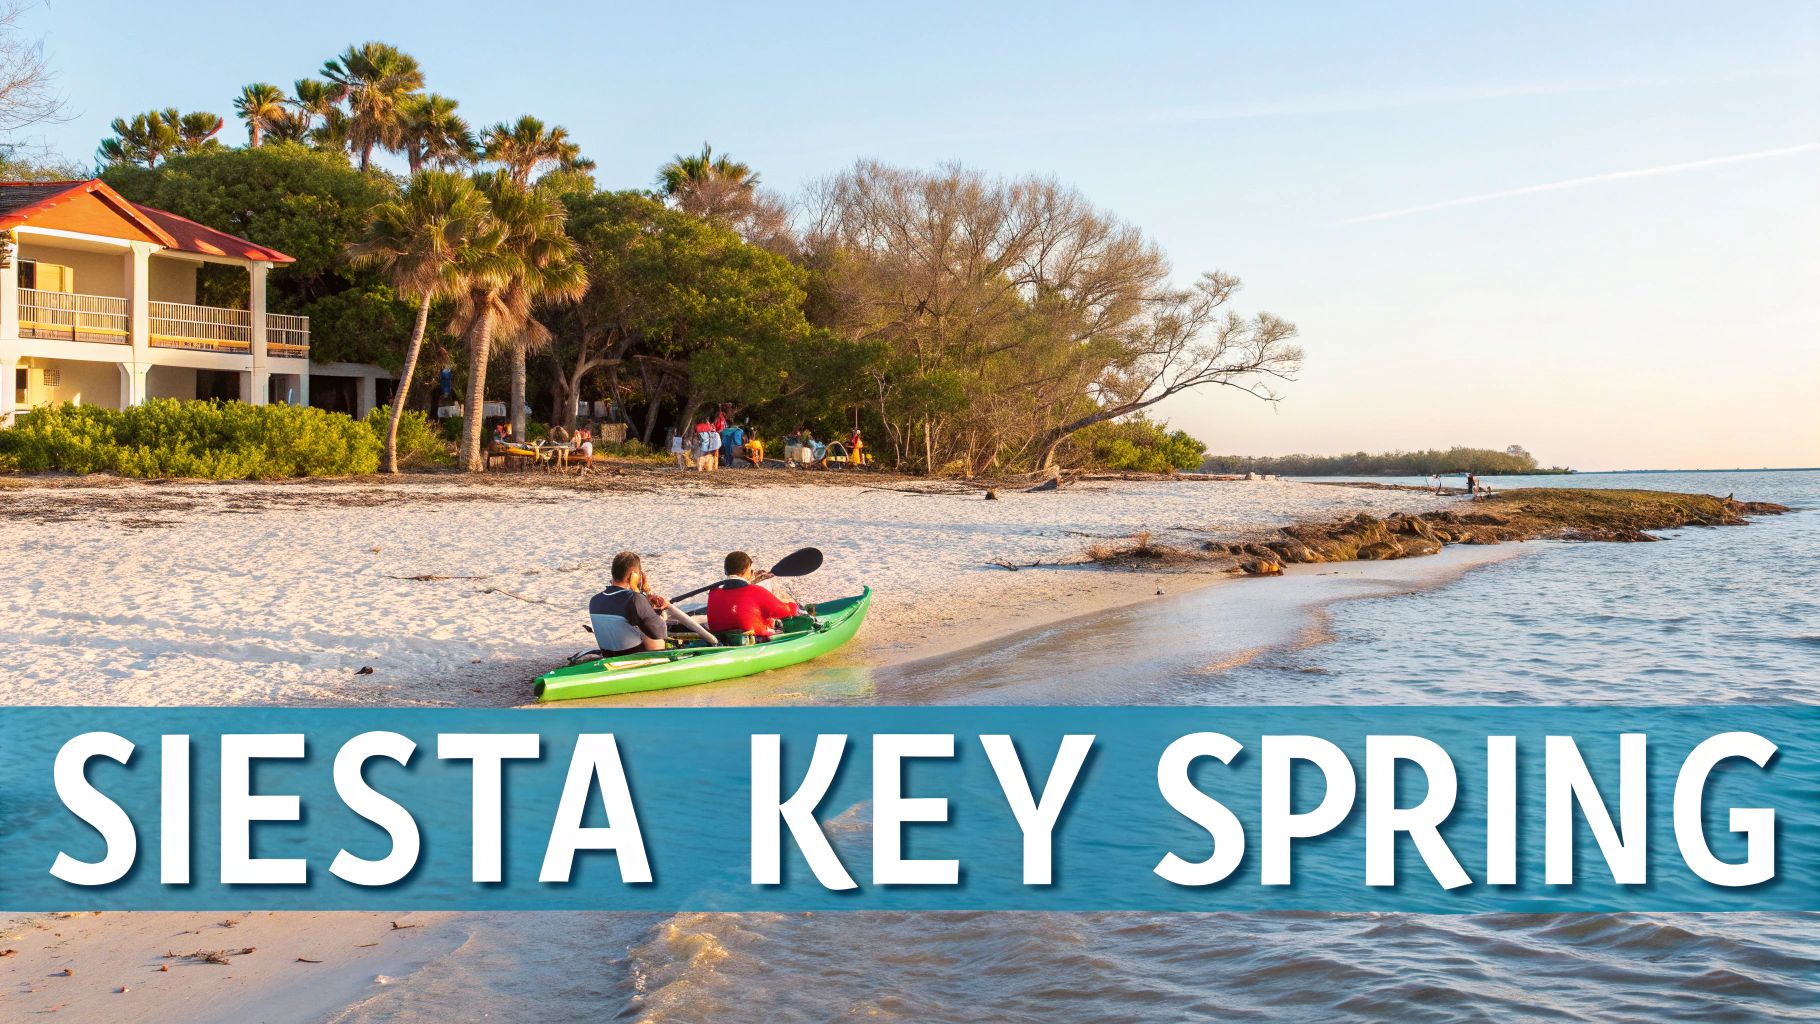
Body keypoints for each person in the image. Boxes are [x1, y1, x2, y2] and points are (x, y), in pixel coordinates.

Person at [589, 552, 670, 655]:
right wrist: (662, 610)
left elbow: (626, 608)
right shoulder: (634, 599)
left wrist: (644, 597)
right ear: (633, 576)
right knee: (656, 639)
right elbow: (660, 632)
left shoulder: (594, 600)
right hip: (633, 657)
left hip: (608, 655)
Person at [706, 551, 800, 640]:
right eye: (751, 569)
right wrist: (794, 605)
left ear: (726, 572)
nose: (752, 572)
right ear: (747, 569)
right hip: (754, 638)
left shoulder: (713, 593)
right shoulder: (756, 591)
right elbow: (786, 612)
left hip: (720, 638)